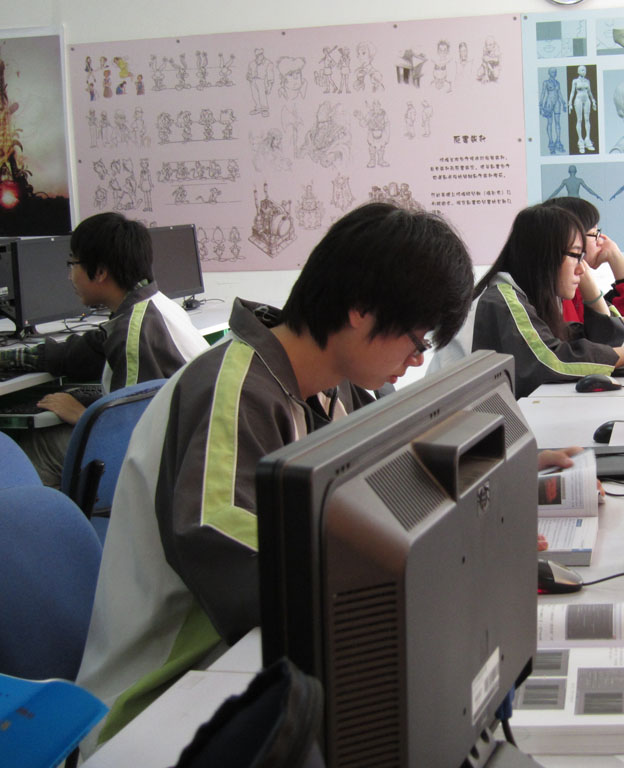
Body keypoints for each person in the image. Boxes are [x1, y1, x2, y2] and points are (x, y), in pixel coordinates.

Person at [73, 203, 476, 755]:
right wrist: (401, 584)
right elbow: (223, 541)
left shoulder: (334, 385)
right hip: (164, 700)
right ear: (361, 309)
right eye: (417, 338)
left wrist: (473, 475)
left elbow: (388, 475)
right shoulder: (232, 388)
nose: (414, 359)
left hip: (248, 668)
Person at [0, 212, 209, 486]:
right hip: (191, 444)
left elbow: (131, 431)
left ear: (99, 272)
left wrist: (81, 414)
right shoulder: (151, 307)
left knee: (38, 445)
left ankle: (59, 514)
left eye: (73, 264)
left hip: (171, 457)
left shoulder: (133, 333)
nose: (70, 276)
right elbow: (73, 354)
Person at [428, 204, 624, 398]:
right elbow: (551, 360)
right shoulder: (501, 299)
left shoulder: (525, 297)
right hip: (453, 424)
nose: (581, 269)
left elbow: (573, 339)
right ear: (544, 256)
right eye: (575, 256)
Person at [544, 196, 624, 328]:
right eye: (595, 234)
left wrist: (615, 256)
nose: (600, 241)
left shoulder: (573, 287)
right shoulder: (562, 289)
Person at [568, 65, 596, 152]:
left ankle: (587, 139)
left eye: (585, 70)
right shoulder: (575, 81)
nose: (584, 71)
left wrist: (593, 100)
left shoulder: (587, 81)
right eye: (582, 70)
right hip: (578, 99)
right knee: (579, 119)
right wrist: (570, 103)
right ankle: (580, 140)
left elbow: (589, 92)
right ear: (578, 71)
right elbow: (572, 92)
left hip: (587, 99)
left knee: (587, 119)